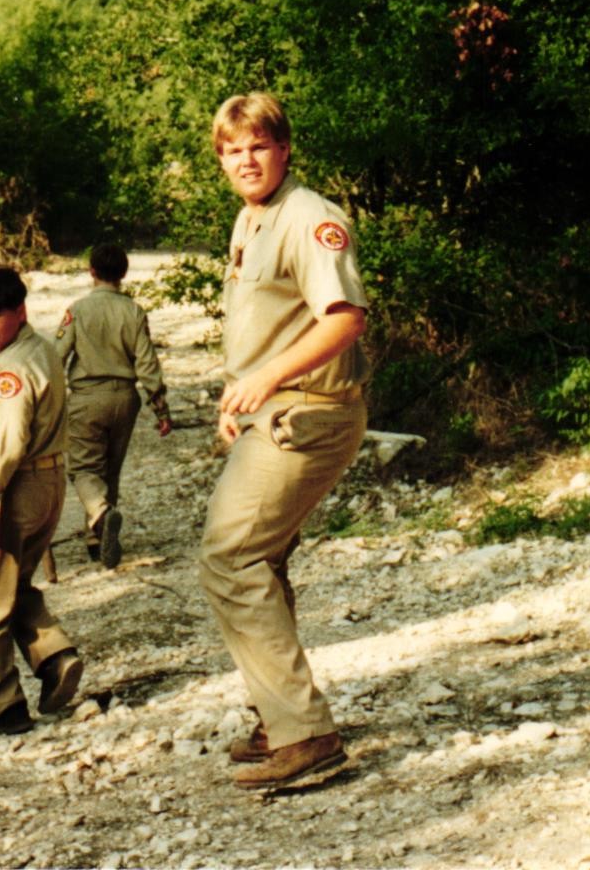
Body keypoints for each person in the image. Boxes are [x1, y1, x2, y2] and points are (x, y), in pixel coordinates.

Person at [199, 92, 369, 791]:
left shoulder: (308, 217)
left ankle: (306, 734)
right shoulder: (252, 217)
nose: (246, 160)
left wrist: (267, 378)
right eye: (232, 150)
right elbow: (265, 322)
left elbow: (345, 318)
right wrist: (240, 395)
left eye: (258, 147)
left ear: (285, 149)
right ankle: (281, 718)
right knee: (260, 557)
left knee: (230, 555)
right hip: (272, 409)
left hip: (309, 411)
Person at [0, 266, 83, 738]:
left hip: (15, 488)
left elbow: (2, 447)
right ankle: (54, 656)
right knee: (14, 582)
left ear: (20, 311)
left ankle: (0, 707)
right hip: (47, 480)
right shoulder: (40, 349)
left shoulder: (11, 370)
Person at [55, 243, 172, 569]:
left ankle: (102, 514)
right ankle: (97, 538)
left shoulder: (77, 310)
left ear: (91, 271)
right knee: (110, 470)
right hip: (125, 398)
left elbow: (57, 356)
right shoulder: (134, 311)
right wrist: (161, 408)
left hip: (87, 397)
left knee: (83, 469)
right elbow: (147, 362)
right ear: (123, 273)